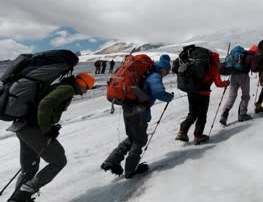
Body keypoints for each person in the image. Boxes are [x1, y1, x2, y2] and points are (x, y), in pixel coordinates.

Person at [7, 73, 95, 202]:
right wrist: (46, 129)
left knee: (29, 168)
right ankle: (27, 191)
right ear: (82, 83)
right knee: (59, 160)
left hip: (23, 127)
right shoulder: (67, 89)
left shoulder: (62, 86)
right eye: (87, 88)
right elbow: (45, 104)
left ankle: (16, 199)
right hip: (33, 129)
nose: (86, 91)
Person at [101, 54, 174, 178]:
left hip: (127, 107)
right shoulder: (154, 75)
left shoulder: (145, 73)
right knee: (139, 140)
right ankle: (130, 170)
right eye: (166, 72)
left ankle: (111, 161)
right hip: (138, 111)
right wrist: (169, 97)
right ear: (163, 68)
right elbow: (158, 92)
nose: (165, 74)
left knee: (132, 138)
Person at [175, 52, 229, 144]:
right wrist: (226, 83)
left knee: (192, 113)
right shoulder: (214, 68)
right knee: (202, 115)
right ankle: (198, 135)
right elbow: (218, 83)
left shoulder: (196, 63)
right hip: (203, 94)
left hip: (191, 91)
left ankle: (182, 131)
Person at [219, 46, 257, 125]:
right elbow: (254, 68)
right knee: (245, 95)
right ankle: (242, 114)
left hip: (233, 75)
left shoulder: (239, 54)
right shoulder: (250, 56)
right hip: (243, 76)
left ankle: (224, 115)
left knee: (232, 96)